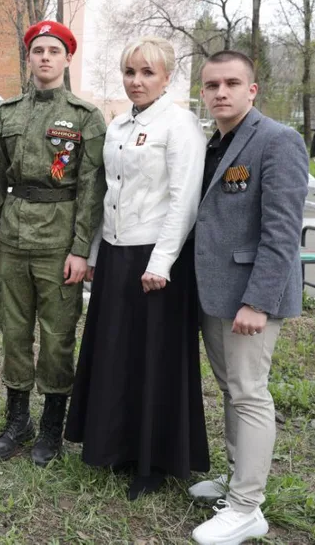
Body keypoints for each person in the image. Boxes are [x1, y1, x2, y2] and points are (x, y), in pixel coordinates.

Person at [64, 36, 209, 499]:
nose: (136, 81)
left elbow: (183, 200)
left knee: (154, 359)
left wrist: (162, 261)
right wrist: (91, 252)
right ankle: (115, 446)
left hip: (156, 260)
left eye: (147, 72)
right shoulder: (119, 124)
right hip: (116, 253)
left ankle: (154, 462)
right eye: (130, 72)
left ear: (167, 77)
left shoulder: (180, 124)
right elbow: (109, 193)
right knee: (117, 352)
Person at [188, 51, 307, 545]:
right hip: (215, 293)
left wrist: (257, 302)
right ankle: (237, 479)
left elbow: (282, 233)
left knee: (250, 393)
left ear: (252, 89)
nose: (221, 92)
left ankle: (246, 507)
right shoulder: (214, 142)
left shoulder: (278, 141)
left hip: (250, 297)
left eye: (232, 83)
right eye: (212, 84)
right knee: (230, 388)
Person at [0, 20, 106, 466]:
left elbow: (91, 188)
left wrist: (80, 248)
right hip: (12, 236)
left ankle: (52, 426)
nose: (45, 57)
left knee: (56, 336)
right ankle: (18, 421)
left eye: (54, 50)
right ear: (28, 59)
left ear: (67, 59)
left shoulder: (86, 117)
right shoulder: (6, 114)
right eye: (37, 51)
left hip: (58, 239)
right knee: (13, 331)